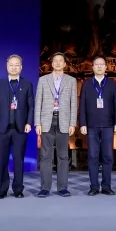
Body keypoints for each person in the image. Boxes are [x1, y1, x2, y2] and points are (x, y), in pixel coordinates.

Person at [0, 55, 35, 199]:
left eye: (17, 65)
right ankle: (2, 189)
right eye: (11, 65)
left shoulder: (27, 84)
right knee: (2, 160)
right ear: (7, 66)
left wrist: (29, 123)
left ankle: (18, 189)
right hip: (2, 129)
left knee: (18, 159)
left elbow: (31, 106)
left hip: (20, 129)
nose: (14, 67)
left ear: (21, 67)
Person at [34, 52, 77, 198]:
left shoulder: (71, 80)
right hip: (46, 120)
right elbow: (38, 102)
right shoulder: (43, 80)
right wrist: (37, 123)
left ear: (65, 64)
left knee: (63, 156)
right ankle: (45, 188)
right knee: (45, 156)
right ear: (51, 64)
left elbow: (73, 103)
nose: (58, 63)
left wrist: (72, 123)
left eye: (60, 61)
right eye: (55, 61)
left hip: (64, 121)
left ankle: (62, 188)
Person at [79, 56, 116, 195]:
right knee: (93, 156)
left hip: (108, 125)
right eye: (96, 64)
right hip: (91, 126)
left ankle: (107, 186)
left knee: (108, 156)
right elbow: (82, 105)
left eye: (102, 64)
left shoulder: (111, 84)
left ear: (106, 67)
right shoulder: (86, 84)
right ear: (92, 67)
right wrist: (83, 123)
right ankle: (94, 187)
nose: (99, 67)